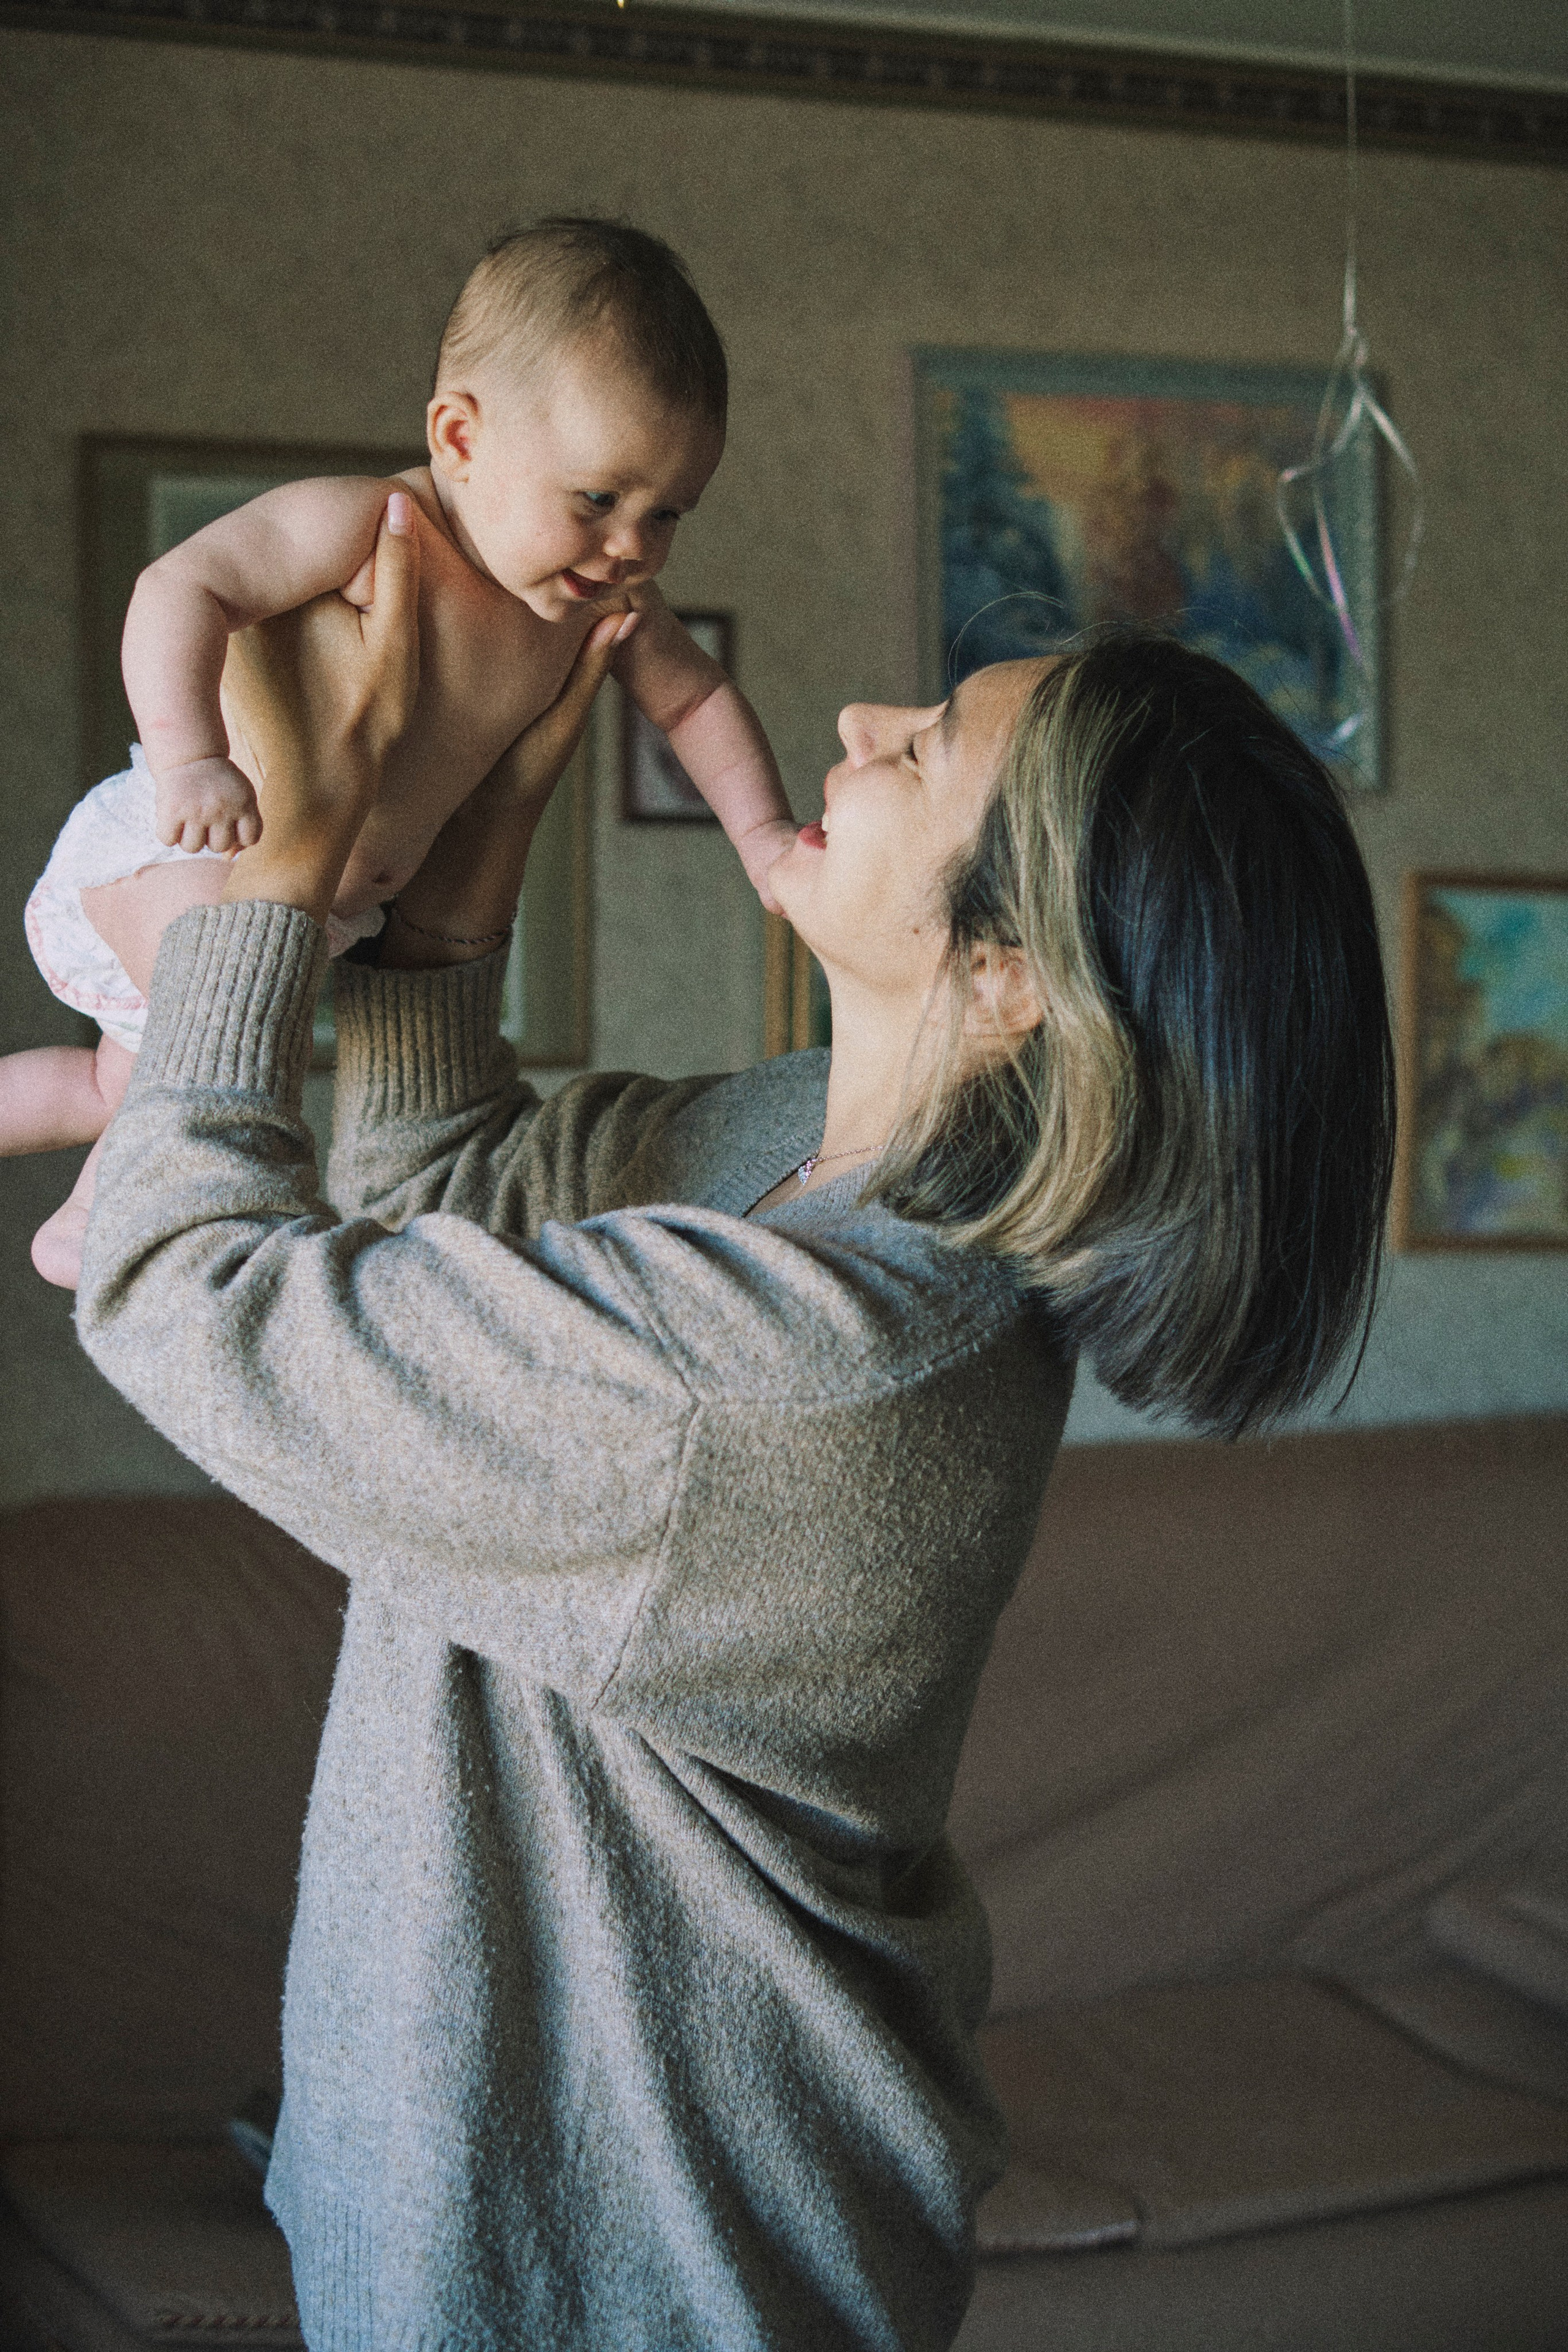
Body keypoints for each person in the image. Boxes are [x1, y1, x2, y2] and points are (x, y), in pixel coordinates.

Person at [73, 500, 1395, 2351]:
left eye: (925, 748)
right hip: (517, 2210)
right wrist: (469, 841)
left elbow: (177, 1289)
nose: (855, 724)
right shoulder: (823, 1160)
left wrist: (278, 868)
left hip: (630, 2282)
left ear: (1013, 978)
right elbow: (445, 1196)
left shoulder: (804, 1366)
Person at [7, 219, 795, 1286]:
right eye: (600, 499)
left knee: (122, 1080)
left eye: (668, 514)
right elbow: (180, 588)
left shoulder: (593, 601)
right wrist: (194, 756)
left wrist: (764, 838)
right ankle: (101, 1214)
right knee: (227, 1046)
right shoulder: (370, 526)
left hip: (326, 913)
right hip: (183, 849)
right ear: (461, 438)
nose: (630, 547)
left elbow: (696, 700)